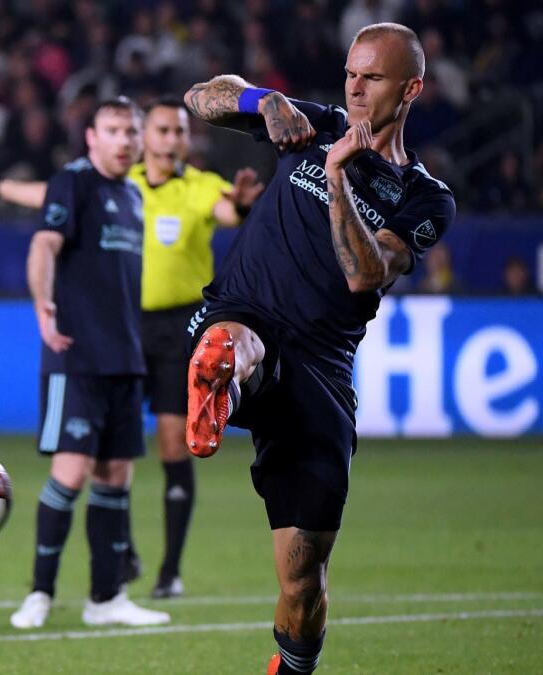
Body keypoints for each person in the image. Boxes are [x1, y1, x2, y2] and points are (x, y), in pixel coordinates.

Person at [181, 23, 455, 674]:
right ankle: (220, 381)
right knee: (233, 343)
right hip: (248, 310)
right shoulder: (318, 121)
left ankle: (293, 668)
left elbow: (366, 273)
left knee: (303, 577)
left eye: (374, 78)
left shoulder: (425, 197)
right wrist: (264, 102)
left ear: (411, 87)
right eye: (351, 75)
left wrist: (336, 181)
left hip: (321, 369)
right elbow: (200, 96)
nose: (356, 90)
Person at [0, 96, 265, 598]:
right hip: (118, 327)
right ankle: (111, 560)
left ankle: (167, 570)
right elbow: (52, 197)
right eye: (161, 131)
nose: (170, 140)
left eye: (178, 132)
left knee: (167, 445)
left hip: (175, 327)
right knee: (100, 459)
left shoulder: (195, 187)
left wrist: (243, 203)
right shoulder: (123, 185)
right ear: (144, 137)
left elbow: (228, 210)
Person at [3, 97, 171, 630]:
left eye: (131, 132)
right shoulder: (72, 183)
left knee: (115, 477)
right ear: (92, 138)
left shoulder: (133, 194)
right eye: (113, 131)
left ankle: (107, 598)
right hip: (76, 354)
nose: (124, 141)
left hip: (125, 356)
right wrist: (43, 304)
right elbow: (44, 246)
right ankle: (39, 594)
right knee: (69, 473)